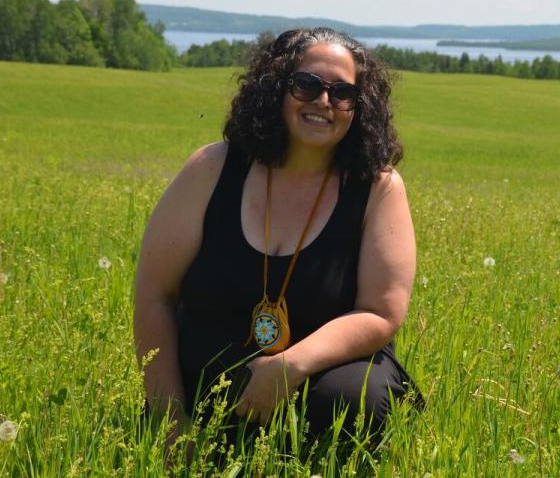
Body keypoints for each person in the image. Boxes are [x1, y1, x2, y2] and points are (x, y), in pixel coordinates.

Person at [133, 27, 419, 449]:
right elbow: (154, 294)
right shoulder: (213, 169)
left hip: (319, 370)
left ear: (360, 108)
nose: (323, 101)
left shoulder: (377, 188)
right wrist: (170, 421)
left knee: (352, 399)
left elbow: (381, 313)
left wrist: (290, 365)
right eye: (306, 85)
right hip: (215, 366)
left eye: (342, 93)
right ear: (274, 89)